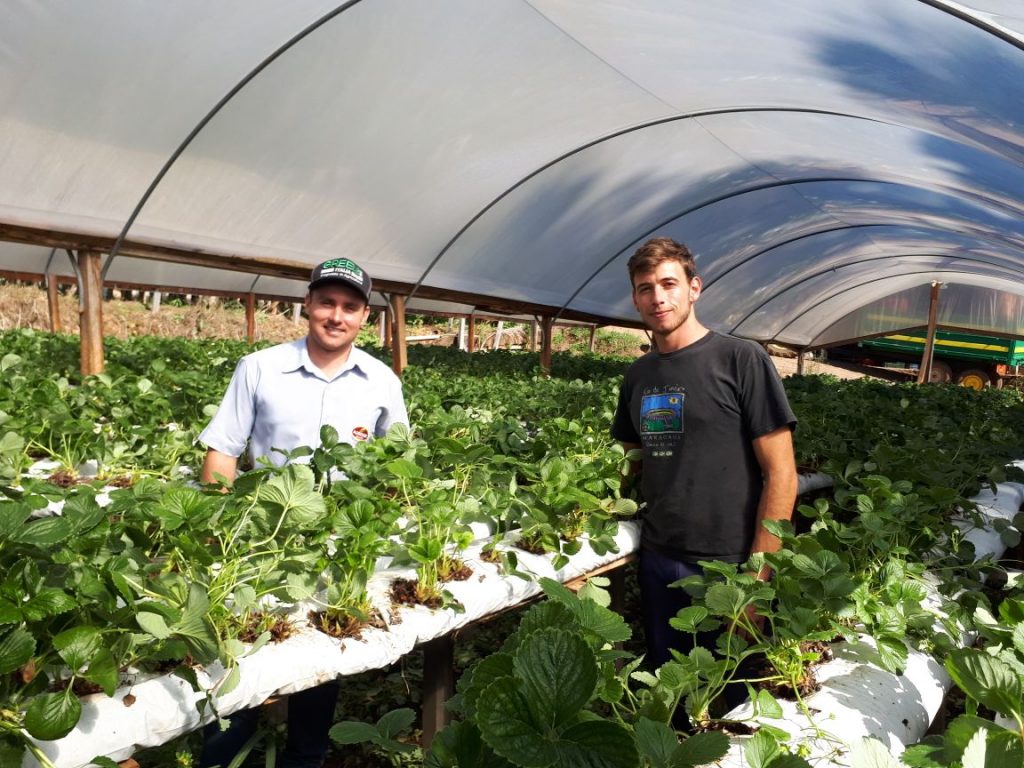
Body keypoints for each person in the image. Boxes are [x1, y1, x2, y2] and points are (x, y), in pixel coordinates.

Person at [197, 257, 408, 768]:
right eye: (328, 302)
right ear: (308, 304)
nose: (337, 315)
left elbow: (399, 464)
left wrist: (374, 526)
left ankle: (304, 755)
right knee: (241, 650)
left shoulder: (381, 381)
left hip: (339, 544)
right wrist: (215, 529)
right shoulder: (260, 367)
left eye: (350, 307)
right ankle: (226, 753)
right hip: (263, 538)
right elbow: (223, 450)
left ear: (364, 317)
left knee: (320, 656)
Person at [611, 237, 797, 679]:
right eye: (645, 288)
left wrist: (756, 579)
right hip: (658, 557)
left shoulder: (740, 359)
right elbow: (629, 464)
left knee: (730, 695)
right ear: (635, 298)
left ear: (694, 288)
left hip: (729, 562)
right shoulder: (638, 375)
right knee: (671, 684)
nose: (658, 297)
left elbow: (782, 475)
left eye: (669, 283)